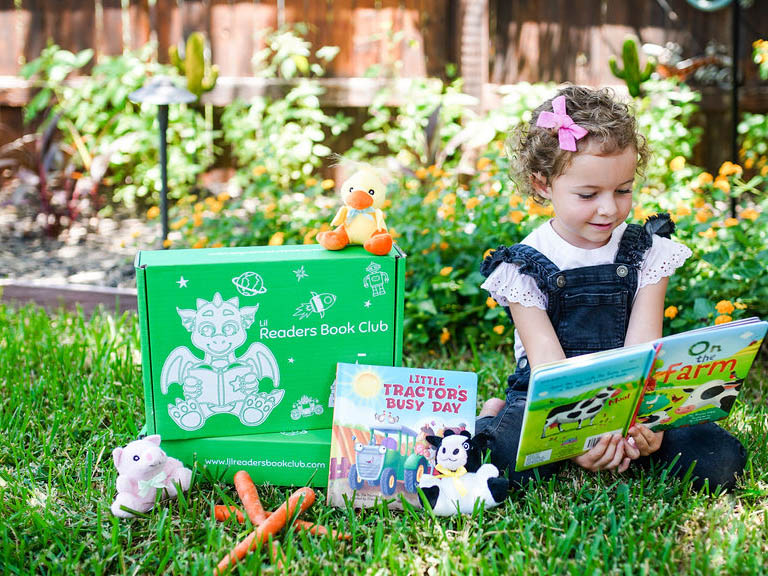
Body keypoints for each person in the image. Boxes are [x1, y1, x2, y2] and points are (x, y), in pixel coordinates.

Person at [476, 85, 746, 491]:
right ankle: (492, 415)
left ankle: (634, 446)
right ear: (543, 184)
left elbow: (644, 349)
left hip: (633, 397)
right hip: (552, 401)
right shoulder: (522, 265)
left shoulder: (647, 251)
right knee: (499, 464)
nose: (609, 208)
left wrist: (644, 425)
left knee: (719, 462)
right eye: (588, 194)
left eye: (623, 190)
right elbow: (549, 366)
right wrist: (573, 440)